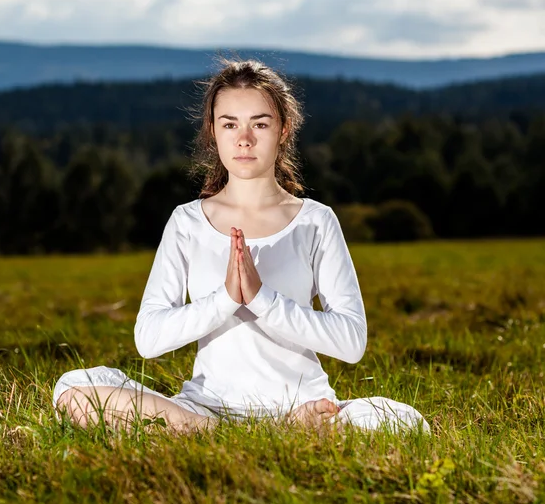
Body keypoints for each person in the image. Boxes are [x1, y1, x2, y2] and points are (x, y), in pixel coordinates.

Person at [53, 59, 429, 435]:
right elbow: (149, 338)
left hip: (303, 405)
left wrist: (263, 299)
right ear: (213, 132)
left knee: (408, 424)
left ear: (283, 130)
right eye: (230, 124)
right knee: (72, 391)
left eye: (260, 124)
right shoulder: (187, 222)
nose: (244, 139)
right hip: (205, 407)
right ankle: (232, 431)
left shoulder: (316, 221)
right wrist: (226, 299)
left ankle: (251, 430)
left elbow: (351, 342)